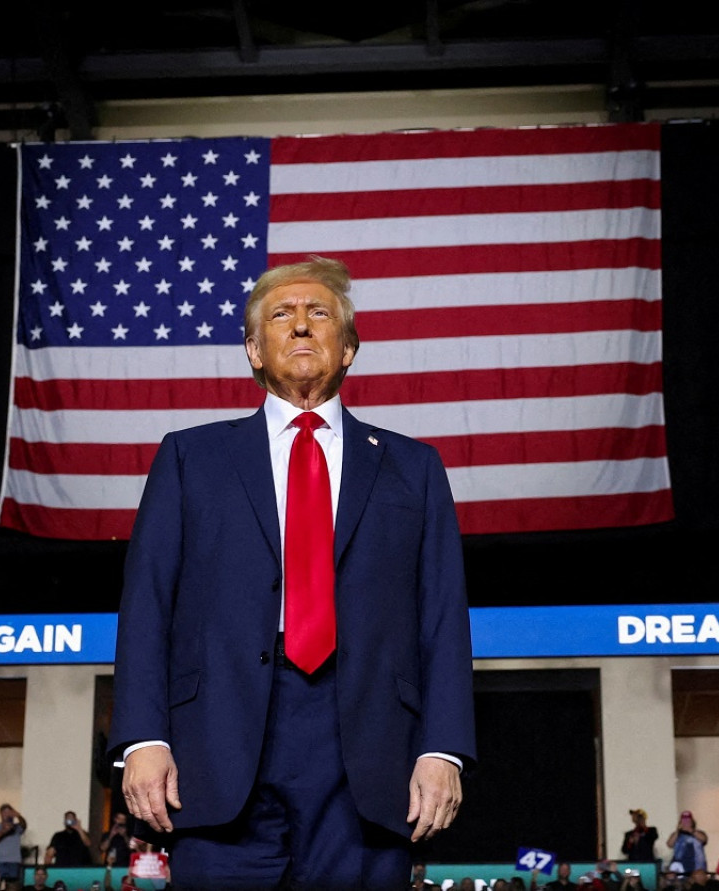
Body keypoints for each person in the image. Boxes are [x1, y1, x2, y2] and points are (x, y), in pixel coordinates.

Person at [110, 255, 477, 891]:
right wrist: (143, 737)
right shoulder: (189, 457)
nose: (301, 326)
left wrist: (441, 749)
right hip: (216, 743)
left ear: (350, 348)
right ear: (254, 350)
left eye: (319, 314)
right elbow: (147, 604)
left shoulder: (413, 469)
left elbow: (443, 617)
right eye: (282, 315)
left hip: (364, 748)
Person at [0, 803, 28, 891]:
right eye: (5, 813)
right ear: (1, 814)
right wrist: (3, 831)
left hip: (13, 863)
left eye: (9, 812)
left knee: (13, 887)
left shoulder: (17, 827)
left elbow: (24, 825)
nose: (7, 815)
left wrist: (18, 815)